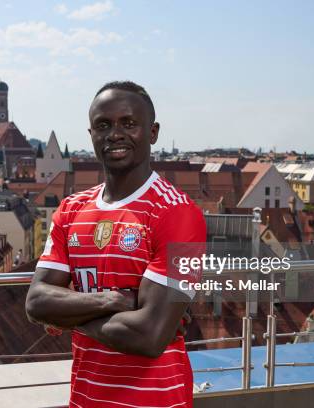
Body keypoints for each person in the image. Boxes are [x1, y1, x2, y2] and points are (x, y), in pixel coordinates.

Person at [25, 81, 206, 407]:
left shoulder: (181, 214)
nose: (115, 134)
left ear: (152, 133)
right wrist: (113, 300)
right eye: (103, 125)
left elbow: (150, 336)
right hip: (85, 398)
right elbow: (36, 303)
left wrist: (67, 315)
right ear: (91, 134)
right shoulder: (71, 210)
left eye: (129, 123)